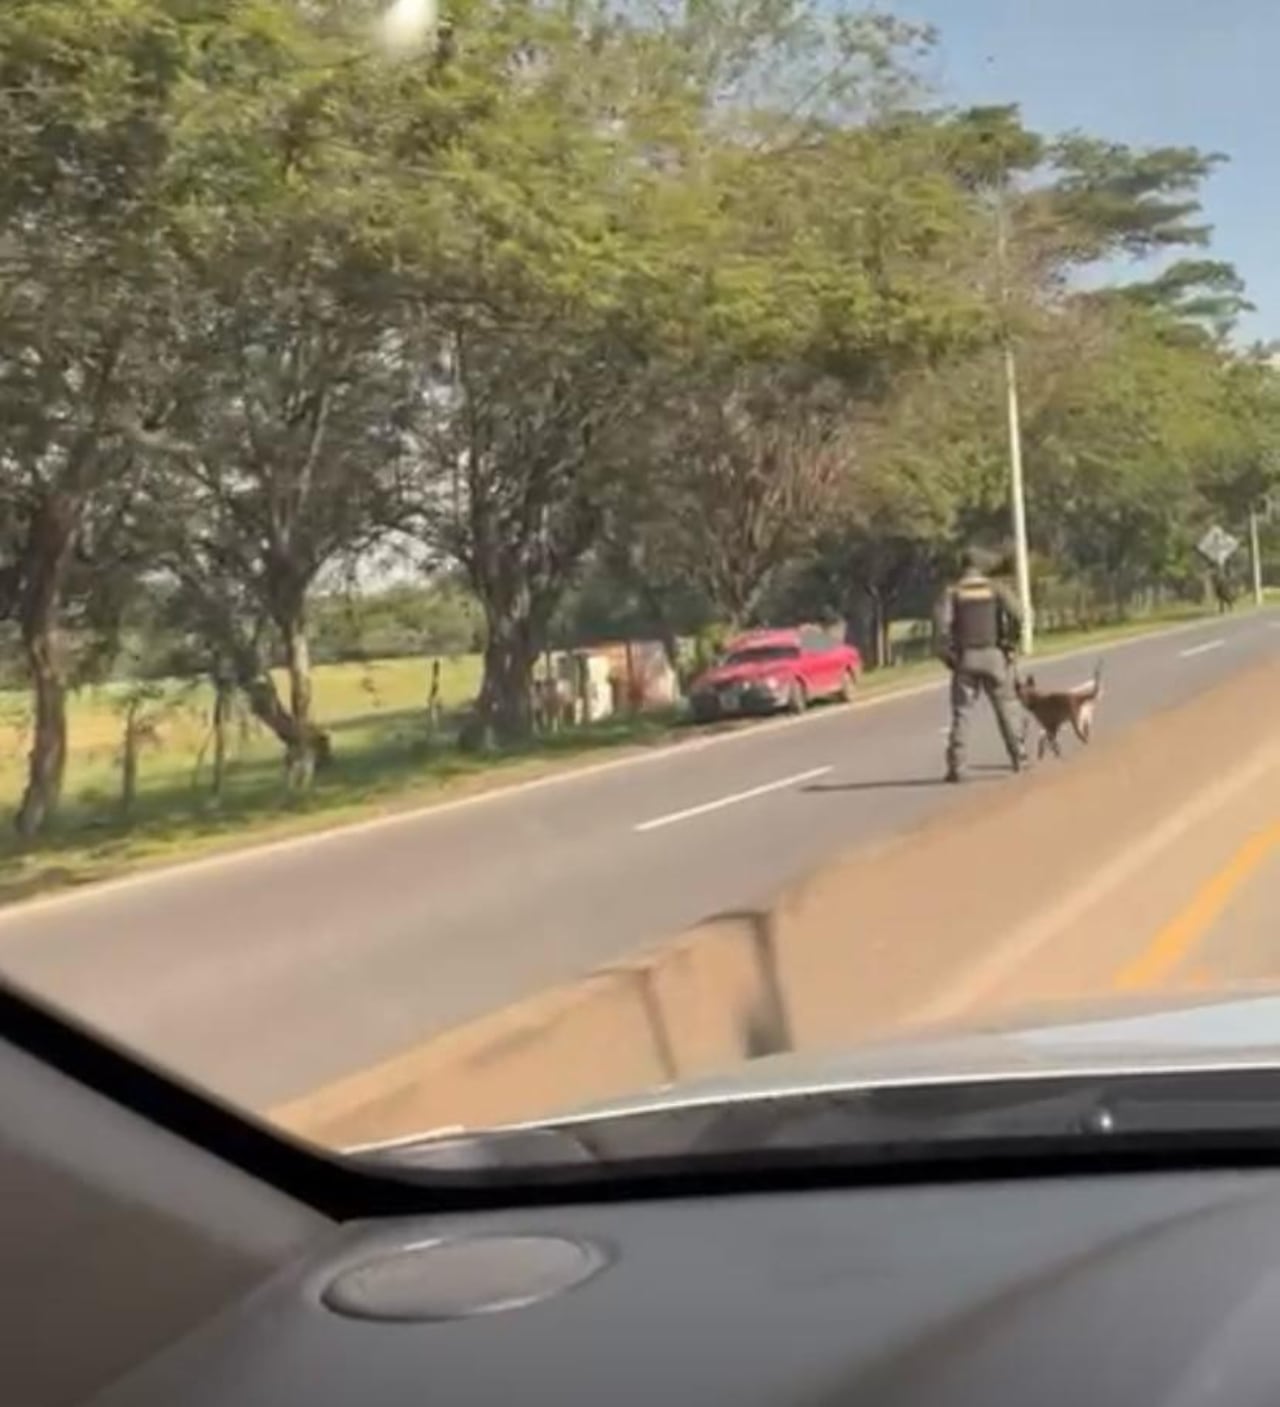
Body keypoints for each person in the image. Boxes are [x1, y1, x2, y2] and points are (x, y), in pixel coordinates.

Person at [934, 547, 1028, 783]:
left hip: (965, 658)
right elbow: (1019, 614)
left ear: (962, 567)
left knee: (962, 713)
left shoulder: (952, 592)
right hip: (993, 655)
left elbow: (941, 629)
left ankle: (957, 767)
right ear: (981, 566)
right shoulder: (995, 588)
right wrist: (1011, 643)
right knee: (1006, 708)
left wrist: (949, 658)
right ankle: (1019, 757)